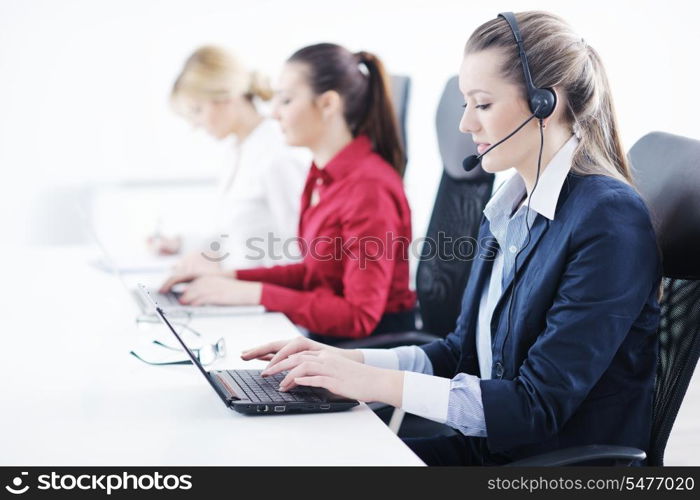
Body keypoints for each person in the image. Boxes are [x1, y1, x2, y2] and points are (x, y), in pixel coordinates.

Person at [239, 11, 662, 466]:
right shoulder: (510, 206)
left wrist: (368, 384)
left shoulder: (607, 218)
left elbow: (533, 408)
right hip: (486, 450)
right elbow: (458, 352)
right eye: (465, 104)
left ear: (545, 104)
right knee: (298, 456)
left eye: (481, 104)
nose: (465, 124)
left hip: (543, 464)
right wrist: (343, 362)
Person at [160, 43, 416, 340]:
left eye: (286, 100)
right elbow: (312, 272)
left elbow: (359, 317)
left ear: (328, 104)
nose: (274, 113)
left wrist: (253, 293)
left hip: (367, 353)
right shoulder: (321, 176)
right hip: (327, 342)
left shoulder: (368, 188)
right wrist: (229, 278)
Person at [149, 45, 309, 271]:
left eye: (197, 110)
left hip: (260, 297)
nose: (196, 125)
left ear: (226, 97)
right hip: (237, 291)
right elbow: (237, 238)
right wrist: (182, 244)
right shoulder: (238, 149)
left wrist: (225, 274)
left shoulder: (277, 155)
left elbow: (299, 252)